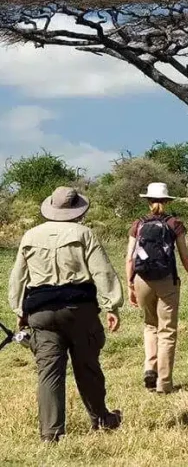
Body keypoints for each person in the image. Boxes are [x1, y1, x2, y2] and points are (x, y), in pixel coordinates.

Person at [8, 187, 123, 443]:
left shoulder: (31, 235)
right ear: (77, 210)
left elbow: (18, 277)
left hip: (41, 312)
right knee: (87, 367)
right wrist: (111, 306)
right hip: (78, 310)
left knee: (49, 372)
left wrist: (19, 310)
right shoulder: (84, 234)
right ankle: (101, 419)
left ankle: (51, 434)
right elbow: (102, 271)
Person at [125, 182, 188, 394]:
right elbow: (185, 256)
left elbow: (130, 257)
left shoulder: (138, 224)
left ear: (148, 201)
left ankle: (149, 367)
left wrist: (130, 284)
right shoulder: (174, 223)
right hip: (167, 280)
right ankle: (164, 383)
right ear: (167, 201)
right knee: (167, 331)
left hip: (142, 279)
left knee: (150, 325)